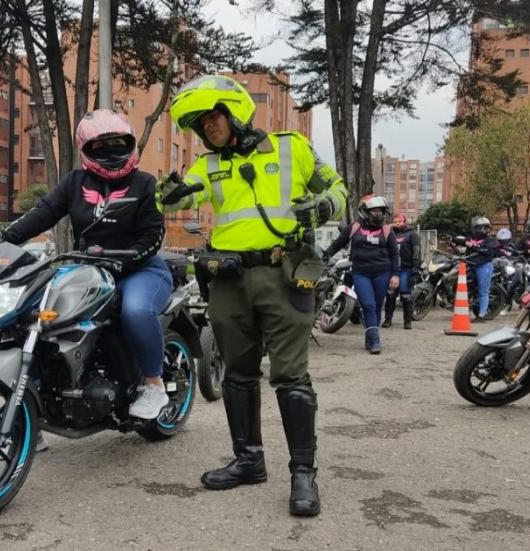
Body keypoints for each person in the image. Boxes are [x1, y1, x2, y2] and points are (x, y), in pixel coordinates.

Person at [160, 74, 348, 516]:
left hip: (281, 275)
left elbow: (338, 191)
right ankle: (248, 460)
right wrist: (167, 196)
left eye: (213, 116)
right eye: (201, 123)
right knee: (238, 374)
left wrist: (322, 206)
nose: (208, 127)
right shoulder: (207, 166)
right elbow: (173, 201)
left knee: (290, 375)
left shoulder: (290, 147)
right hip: (227, 279)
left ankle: (303, 472)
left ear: (235, 112)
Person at [0, 109, 172, 420]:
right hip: (89, 270)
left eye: (118, 144)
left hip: (140, 269)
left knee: (135, 310)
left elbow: (153, 236)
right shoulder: (75, 182)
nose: (111, 152)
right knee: (39, 315)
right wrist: (1, 241)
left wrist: (127, 258)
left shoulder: (145, 184)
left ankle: (154, 384)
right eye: (100, 147)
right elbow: (43, 212)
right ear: (85, 150)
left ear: (131, 144)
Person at [322, 195, 398, 353]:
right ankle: (375, 341)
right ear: (364, 211)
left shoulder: (387, 230)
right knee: (368, 305)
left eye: (380, 210)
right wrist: (325, 255)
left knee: (377, 307)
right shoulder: (354, 227)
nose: (378, 213)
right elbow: (338, 243)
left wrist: (395, 275)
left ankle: (370, 337)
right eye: (374, 210)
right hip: (361, 272)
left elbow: (394, 254)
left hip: (382, 272)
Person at [384, 213, 420, 330]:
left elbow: (416, 251)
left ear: (405, 222)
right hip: (393, 268)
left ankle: (407, 321)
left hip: (406, 268)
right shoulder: (390, 234)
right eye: (395, 221)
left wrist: (415, 269)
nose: (397, 223)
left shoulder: (412, 234)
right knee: (390, 294)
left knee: (405, 295)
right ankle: (388, 319)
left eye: (399, 221)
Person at [465, 216, 499, 320]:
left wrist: (473, 246)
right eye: (480, 227)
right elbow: (461, 243)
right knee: (466, 289)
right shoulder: (469, 238)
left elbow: (487, 251)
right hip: (469, 266)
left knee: (483, 291)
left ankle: (481, 315)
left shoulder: (491, 240)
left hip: (484, 266)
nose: (483, 230)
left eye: (485, 227)